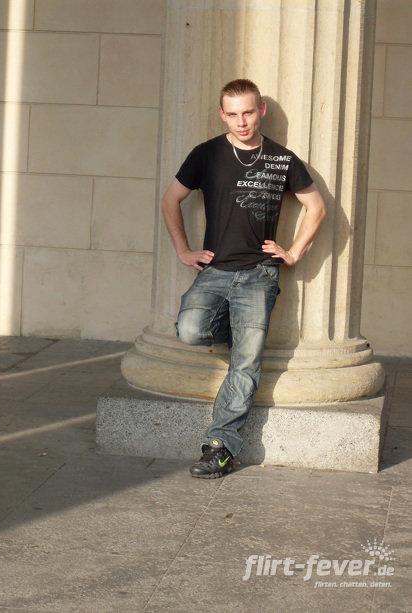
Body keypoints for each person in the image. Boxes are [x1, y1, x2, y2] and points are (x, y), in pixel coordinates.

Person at [161, 79, 326, 478]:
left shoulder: (282, 159)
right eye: (233, 114)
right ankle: (241, 341)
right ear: (222, 115)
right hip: (215, 269)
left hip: (259, 274)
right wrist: (184, 250)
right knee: (190, 330)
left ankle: (219, 448)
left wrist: (294, 251)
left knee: (246, 364)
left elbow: (316, 207)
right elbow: (171, 200)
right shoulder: (206, 154)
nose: (241, 121)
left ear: (261, 110)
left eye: (248, 112)